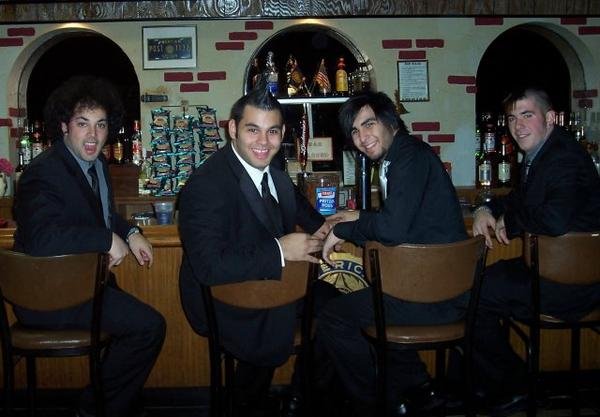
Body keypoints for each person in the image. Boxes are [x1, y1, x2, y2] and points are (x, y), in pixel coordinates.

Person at [13, 76, 166, 417]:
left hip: (81, 285)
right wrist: (105, 239)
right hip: (48, 296)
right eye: (83, 124)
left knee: (140, 322)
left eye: (101, 124)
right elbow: (41, 240)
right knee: (149, 327)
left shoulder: (95, 165)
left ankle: (110, 400)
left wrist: (129, 232)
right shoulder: (43, 172)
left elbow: (102, 216)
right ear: (64, 125)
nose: (93, 135)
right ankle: (94, 407)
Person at [178, 86, 334, 415]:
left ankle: (300, 398)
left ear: (283, 134)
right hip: (221, 296)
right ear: (233, 129)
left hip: (266, 283)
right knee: (280, 314)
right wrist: (279, 250)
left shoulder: (275, 174)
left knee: (341, 309)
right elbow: (208, 266)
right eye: (253, 130)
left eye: (272, 131)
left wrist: (331, 227)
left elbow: (302, 209)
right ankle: (245, 402)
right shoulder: (205, 185)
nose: (264, 142)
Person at [317, 91, 468, 415]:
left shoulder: (408, 157)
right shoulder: (401, 156)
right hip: (431, 286)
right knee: (375, 298)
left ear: (390, 121)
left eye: (368, 124)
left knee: (335, 315)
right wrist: (357, 219)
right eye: (355, 131)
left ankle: (374, 401)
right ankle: (417, 388)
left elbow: (393, 229)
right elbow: (398, 223)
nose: (362, 137)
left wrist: (344, 230)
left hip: (437, 296)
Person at [470, 87, 600, 415]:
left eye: (527, 115)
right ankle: (495, 383)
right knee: (480, 280)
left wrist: (511, 222)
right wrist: (487, 208)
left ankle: (516, 387)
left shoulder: (563, 157)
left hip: (573, 286)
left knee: (474, 293)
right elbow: (519, 199)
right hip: (554, 273)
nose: (518, 125)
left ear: (551, 118)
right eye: (512, 118)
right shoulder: (544, 154)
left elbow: (554, 219)